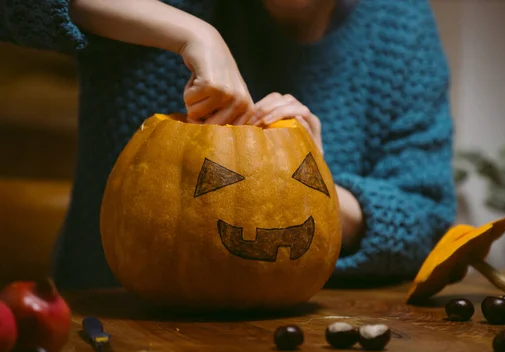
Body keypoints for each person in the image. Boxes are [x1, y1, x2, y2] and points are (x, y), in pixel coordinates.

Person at [0, 0, 457, 290]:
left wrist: (312, 192)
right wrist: (192, 32)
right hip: (116, 325)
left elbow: (427, 218)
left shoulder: (401, 22)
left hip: (308, 348)